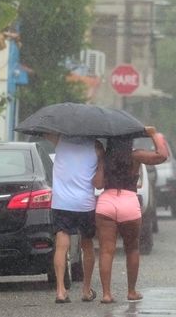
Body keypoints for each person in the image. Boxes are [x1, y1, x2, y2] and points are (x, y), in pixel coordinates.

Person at [93, 126, 168, 304]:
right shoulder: (135, 155)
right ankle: (131, 291)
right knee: (132, 249)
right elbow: (162, 155)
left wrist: (100, 159)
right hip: (128, 202)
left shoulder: (105, 157)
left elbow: (98, 184)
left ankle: (106, 294)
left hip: (107, 202)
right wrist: (154, 135)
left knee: (106, 250)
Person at [44, 133, 104, 304]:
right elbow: (99, 179)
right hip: (85, 203)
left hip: (62, 202)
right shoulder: (96, 146)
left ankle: (60, 291)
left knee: (62, 245)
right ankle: (86, 290)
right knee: (87, 244)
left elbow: (45, 133)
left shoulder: (59, 140)